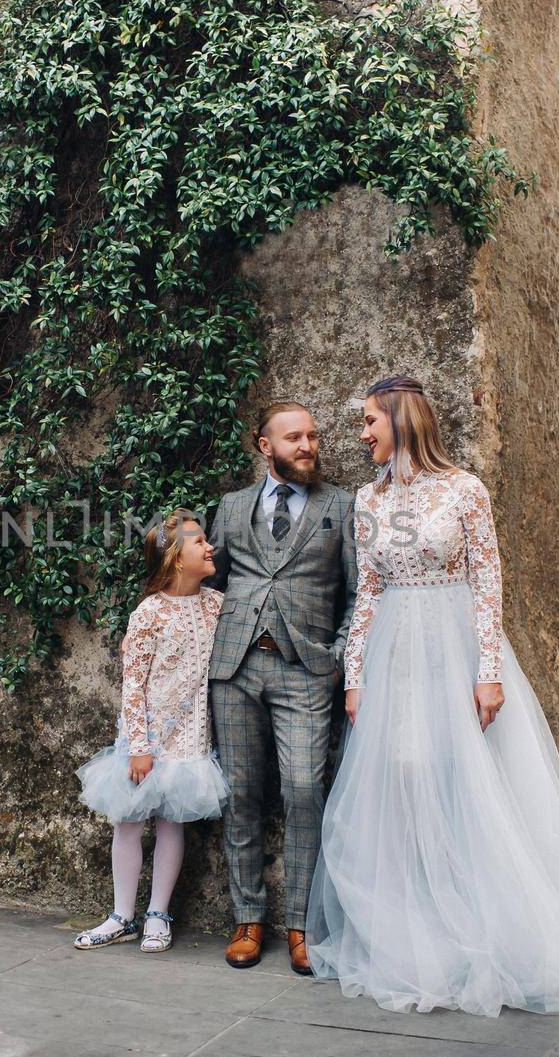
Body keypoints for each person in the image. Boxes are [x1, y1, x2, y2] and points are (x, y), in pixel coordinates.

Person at [305, 375, 559, 1015]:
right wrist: (355, 676)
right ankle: (421, 929)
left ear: (402, 422)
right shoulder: (367, 501)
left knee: (470, 781)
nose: (362, 434)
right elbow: (368, 592)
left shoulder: (466, 490)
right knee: (404, 784)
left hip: (456, 646)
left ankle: (489, 928)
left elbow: (489, 584)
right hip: (393, 657)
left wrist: (487, 670)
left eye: (371, 422)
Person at [205, 402, 357, 974]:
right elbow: (209, 585)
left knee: (303, 792)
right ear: (264, 446)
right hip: (236, 670)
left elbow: (358, 593)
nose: (308, 446)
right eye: (294, 437)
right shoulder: (232, 507)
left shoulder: (342, 506)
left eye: (313, 437)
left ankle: (301, 923)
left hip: (305, 672)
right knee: (240, 793)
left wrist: (337, 657)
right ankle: (248, 919)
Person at [75, 509, 230, 953]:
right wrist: (140, 745)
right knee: (128, 821)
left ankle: (158, 913)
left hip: (190, 738)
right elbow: (133, 684)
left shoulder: (216, 606)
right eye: (199, 542)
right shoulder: (148, 614)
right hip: (147, 738)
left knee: (172, 822)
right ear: (177, 558)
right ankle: (122, 914)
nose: (209, 547)